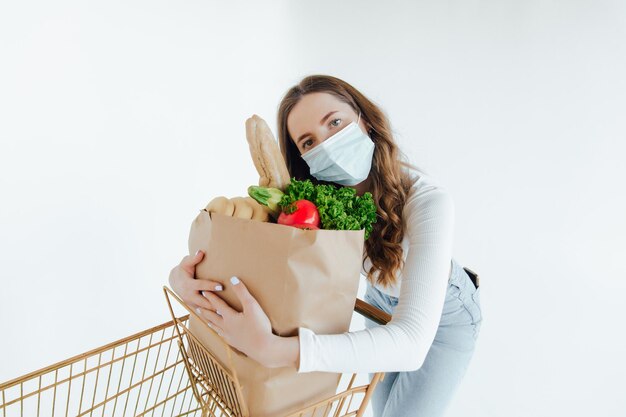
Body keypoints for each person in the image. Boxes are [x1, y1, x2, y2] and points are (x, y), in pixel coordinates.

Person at [168, 74, 482, 417]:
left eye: (335, 122)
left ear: (365, 121)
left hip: (446, 313)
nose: (327, 144)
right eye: (307, 142)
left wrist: (278, 350)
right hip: (380, 296)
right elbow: (257, 252)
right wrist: (187, 276)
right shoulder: (313, 203)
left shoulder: (428, 203)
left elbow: (410, 345)